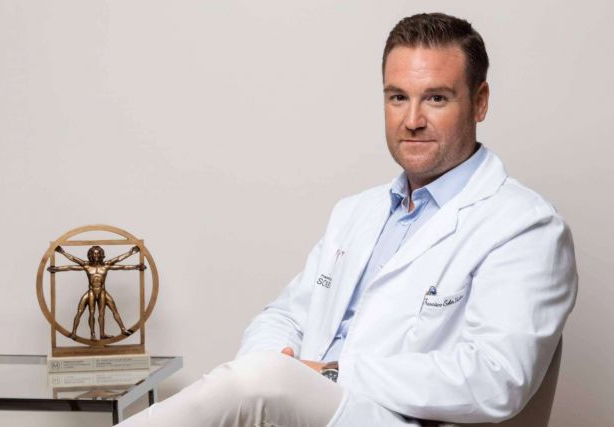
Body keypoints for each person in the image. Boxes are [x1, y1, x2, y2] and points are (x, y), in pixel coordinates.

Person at [118, 12, 577, 426]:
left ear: (479, 102)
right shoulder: (356, 212)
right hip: (306, 411)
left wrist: (326, 375)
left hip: (395, 418)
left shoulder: (525, 226)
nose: (412, 119)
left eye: (436, 98)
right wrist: (272, 371)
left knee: (263, 380)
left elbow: (497, 377)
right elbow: (284, 315)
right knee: (261, 376)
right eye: (397, 97)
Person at [48, 245, 146, 340]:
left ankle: (118, 330)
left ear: (101, 255)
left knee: (110, 311)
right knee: (85, 312)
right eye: (94, 254)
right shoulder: (86, 265)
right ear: (90, 255)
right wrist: (59, 261)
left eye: (98, 254)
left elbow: (120, 263)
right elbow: (71, 265)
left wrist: (133, 259)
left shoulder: (106, 265)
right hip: (91, 292)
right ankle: (81, 333)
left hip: (102, 292)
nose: (96, 256)